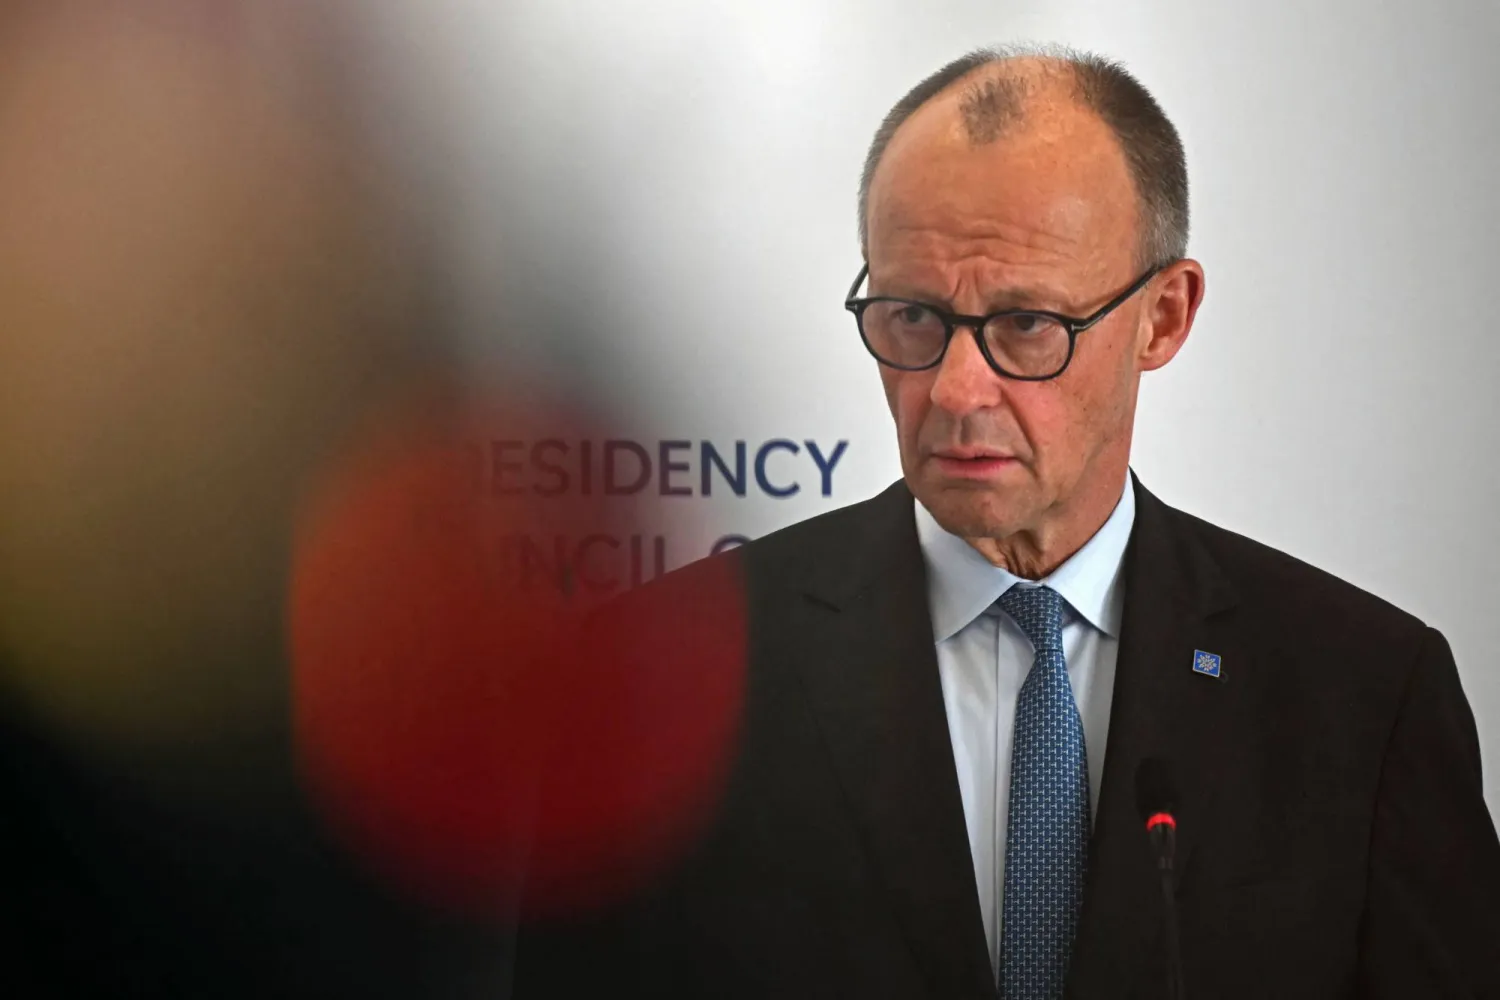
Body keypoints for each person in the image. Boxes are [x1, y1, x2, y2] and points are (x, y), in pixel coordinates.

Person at [513, 45, 1500, 999]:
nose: (954, 388)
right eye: (911, 317)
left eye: (1027, 324)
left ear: (1163, 316)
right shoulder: (651, 680)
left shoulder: (1365, 699)